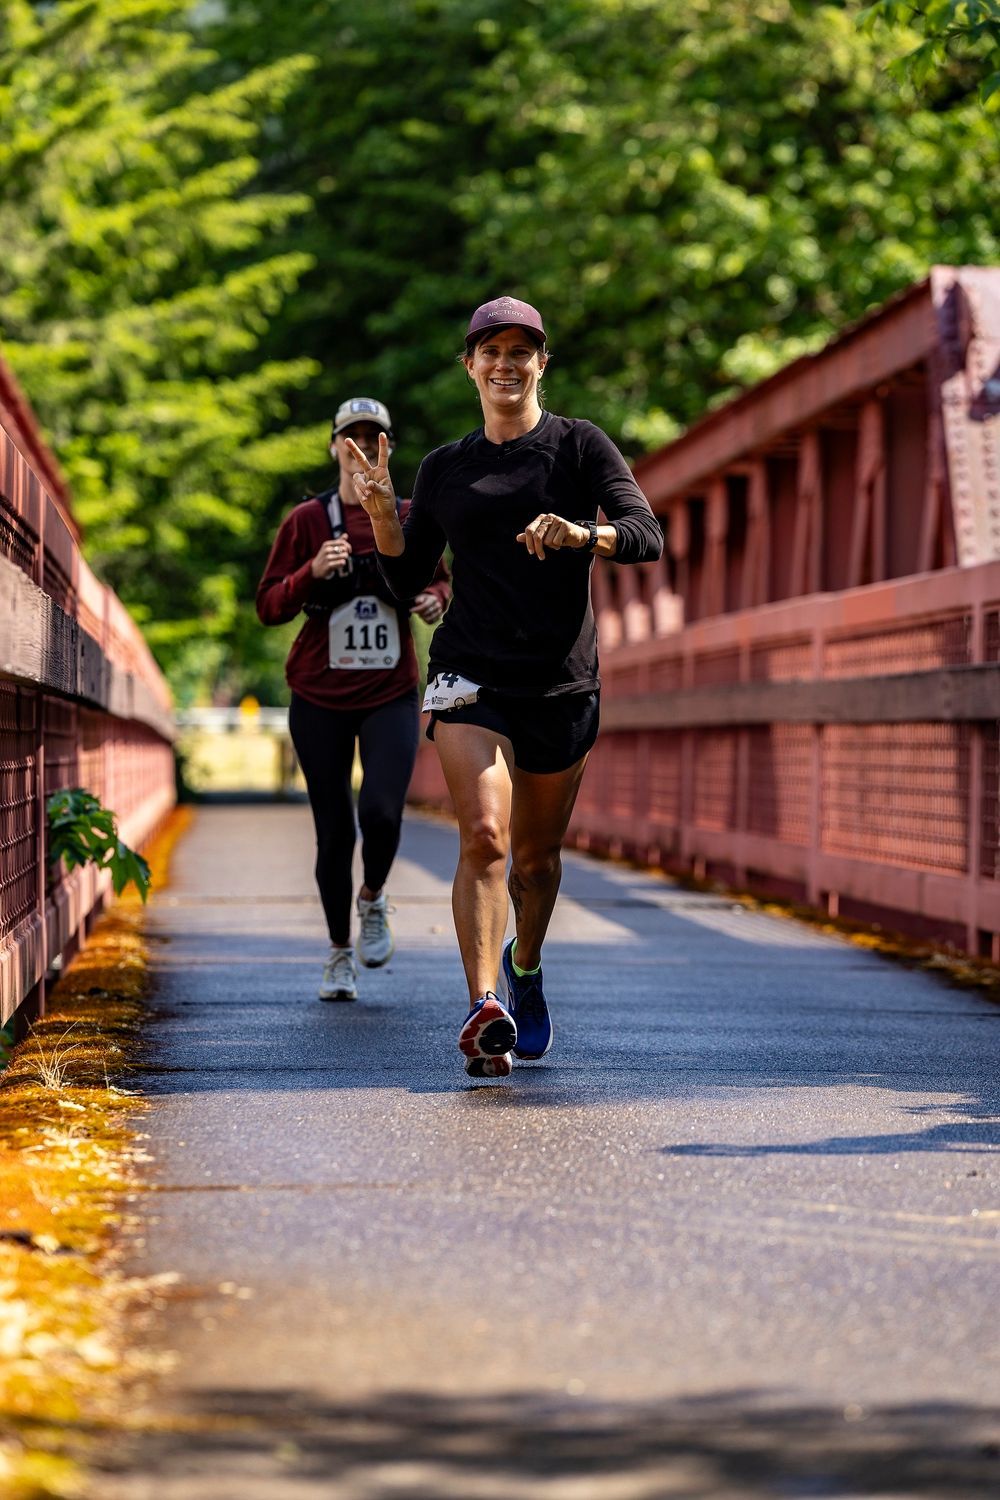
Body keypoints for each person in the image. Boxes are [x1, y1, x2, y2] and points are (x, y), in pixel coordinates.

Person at [347, 298, 663, 1076]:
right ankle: (483, 1005)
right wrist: (387, 513)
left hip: (560, 681)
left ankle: (524, 968)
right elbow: (409, 576)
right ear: (470, 366)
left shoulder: (579, 447)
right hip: (468, 670)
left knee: (536, 861)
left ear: (541, 364)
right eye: (491, 351)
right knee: (484, 837)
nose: (506, 364)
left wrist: (581, 532)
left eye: (522, 351)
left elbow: (647, 533)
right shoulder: (446, 467)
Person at [256, 397, 450, 1002]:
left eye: (375, 437)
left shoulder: (414, 513)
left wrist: (435, 599)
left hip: (390, 691)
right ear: (335, 445)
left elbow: (440, 579)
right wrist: (311, 570)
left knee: (384, 813)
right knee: (334, 830)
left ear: (389, 447)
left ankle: (373, 899)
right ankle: (338, 952)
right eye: (352, 437)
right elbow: (268, 606)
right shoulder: (306, 521)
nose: (362, 447)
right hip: (317, 694)